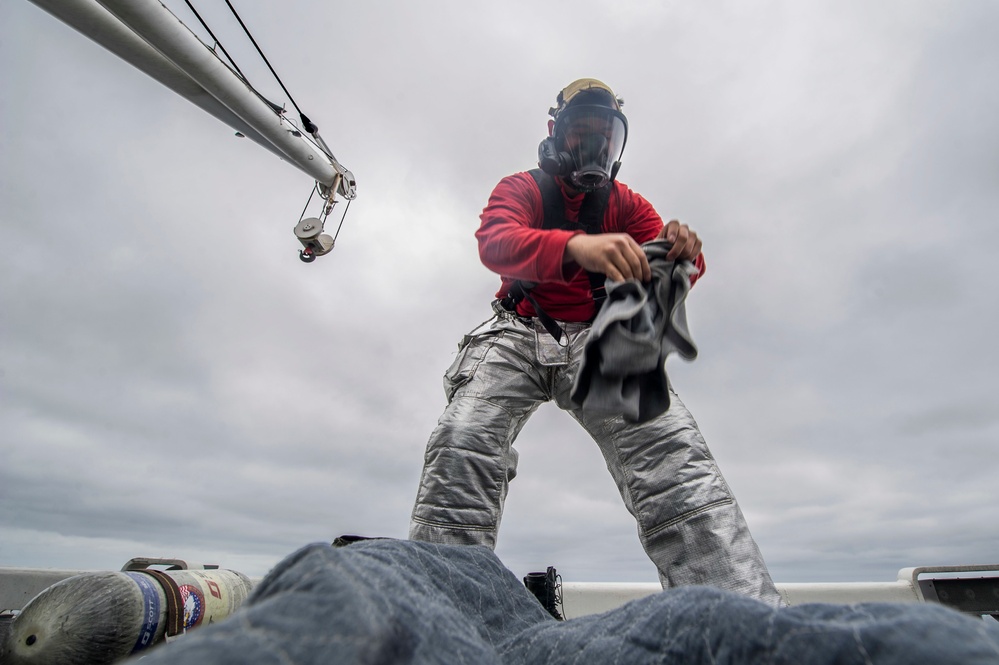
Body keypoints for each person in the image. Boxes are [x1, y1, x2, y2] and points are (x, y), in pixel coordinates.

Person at [409, 78, 781, 606]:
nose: (594, 147)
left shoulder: (628, 205)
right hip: (516, 329)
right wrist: (577, 247)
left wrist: (684, 254)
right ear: (554, 135)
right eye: (580, 132)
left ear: (616, 143)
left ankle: (742, 616)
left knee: (672, 454)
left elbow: (676, 270)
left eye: (604, 137)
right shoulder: (521, 188)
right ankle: (441, 613)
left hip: (598, 341)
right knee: (463, 438)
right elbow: (495, 242)